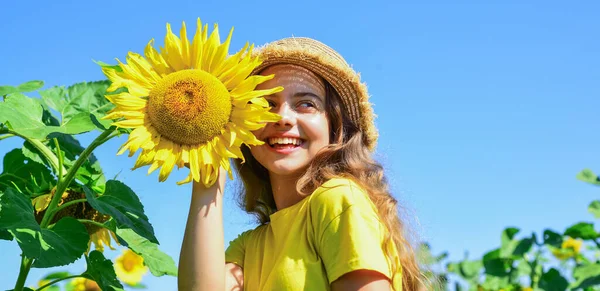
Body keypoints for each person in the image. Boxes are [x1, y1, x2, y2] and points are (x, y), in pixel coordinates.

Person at [178, 37, 424, 291]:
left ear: (335, 127)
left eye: (306, 104)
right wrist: (207, 179)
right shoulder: (249, 245)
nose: (282, 117)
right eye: (265, 104)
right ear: (244, 130)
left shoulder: (336, 198)